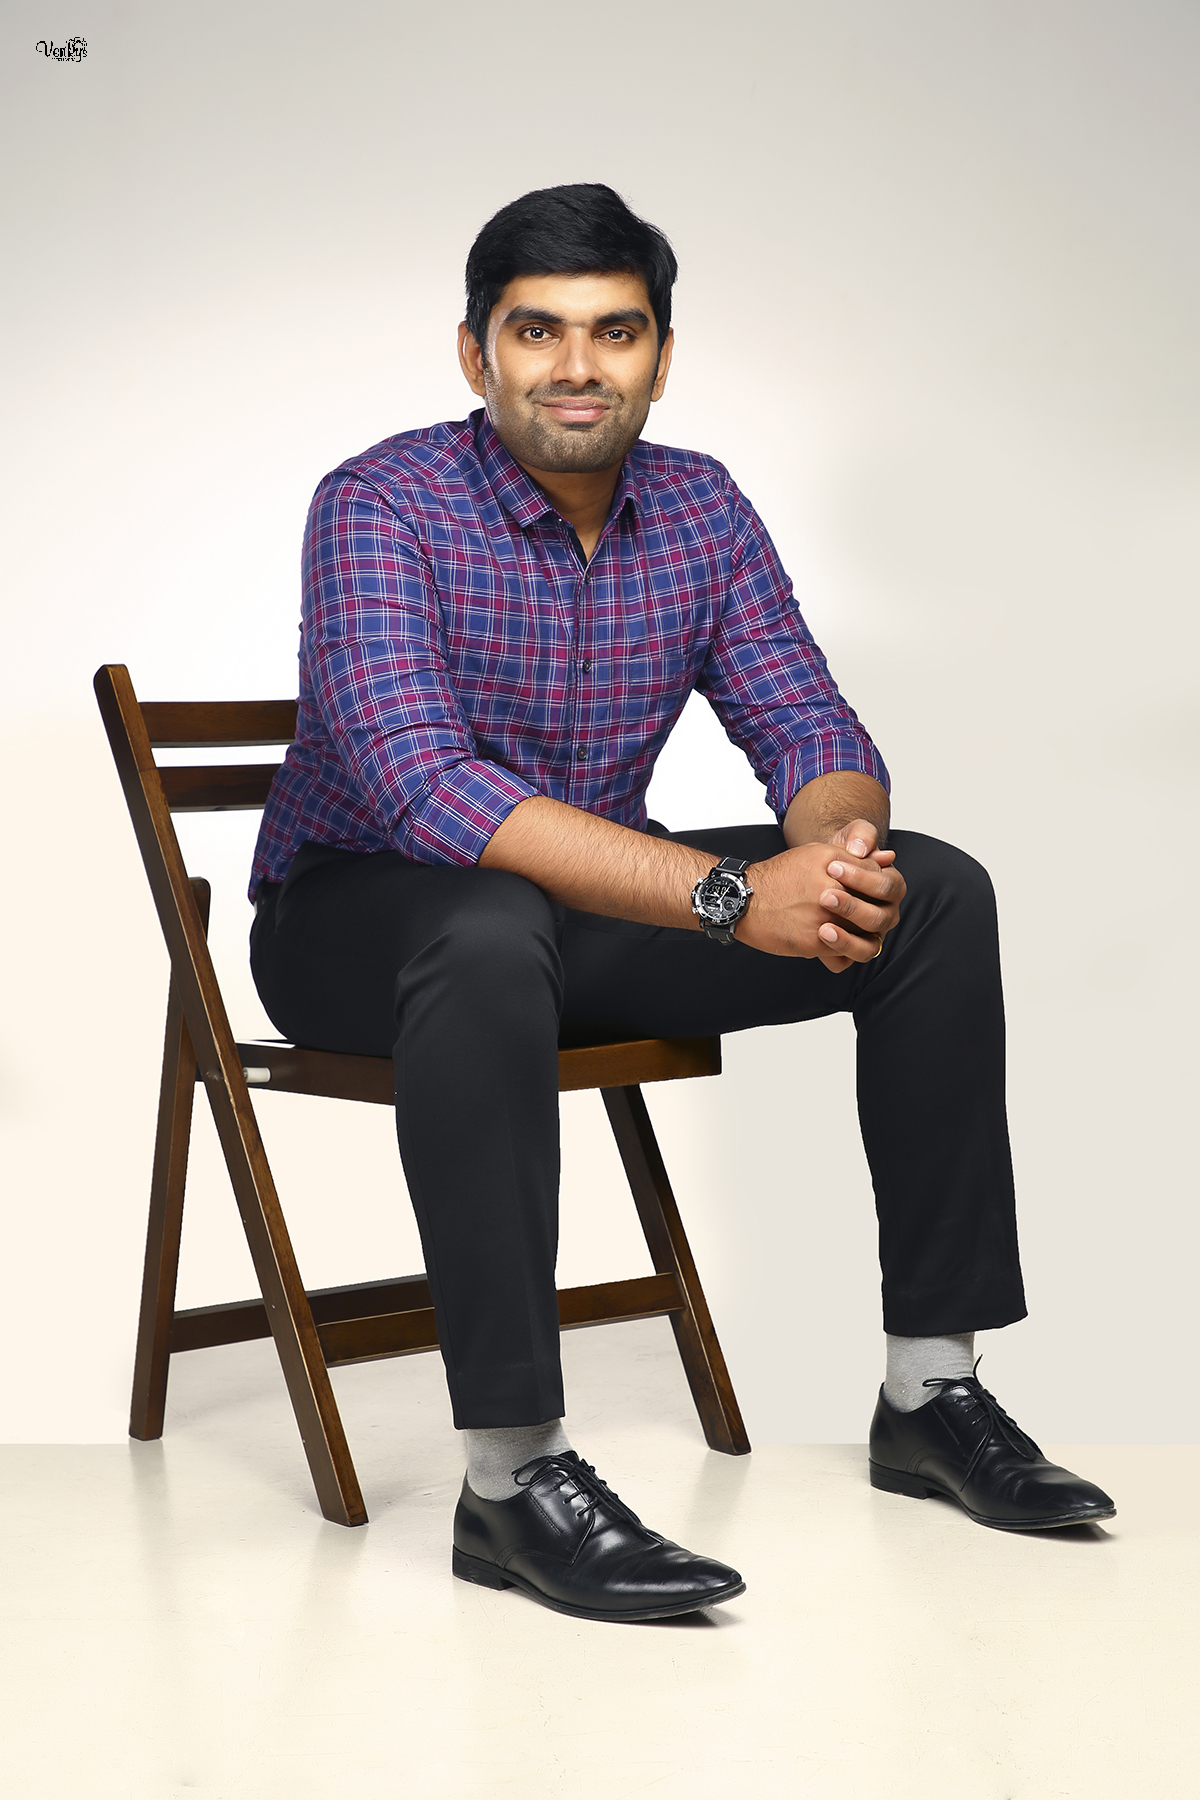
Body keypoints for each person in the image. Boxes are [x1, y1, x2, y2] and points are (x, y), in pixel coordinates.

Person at [248, 183, 1114, 1623]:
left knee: (934, 895)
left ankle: (932, 1394)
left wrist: (835, 855)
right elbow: (426, 791)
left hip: (577, 917)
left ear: (660, 354)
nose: (577, 365)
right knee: (484, 925)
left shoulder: (701, 505)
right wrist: (725, 895)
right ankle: (513, 1477)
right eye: (538, 331)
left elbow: (807, 722)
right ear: (475, 354)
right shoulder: (379, 503)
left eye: (615, 331)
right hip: (364, 919)